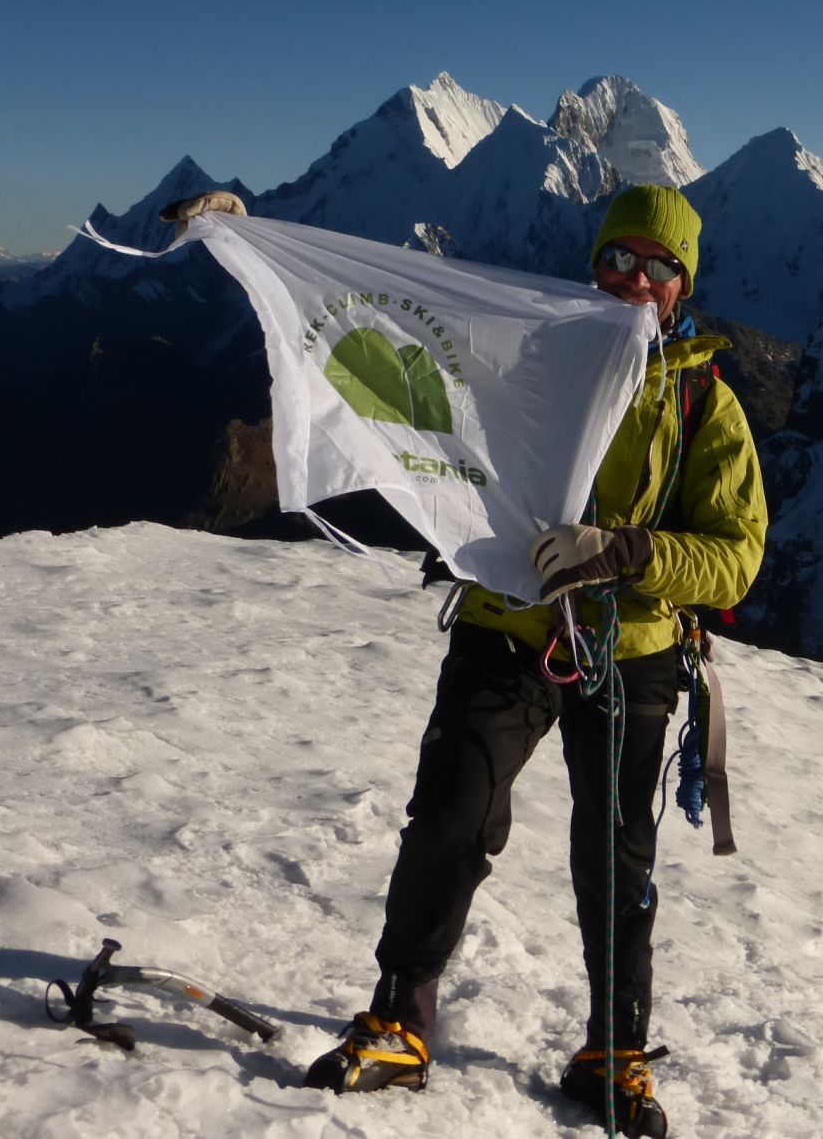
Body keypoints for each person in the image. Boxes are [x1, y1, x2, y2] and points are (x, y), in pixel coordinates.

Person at [303, 184, 768, 1136]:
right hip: (509, 624)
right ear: (592, 264)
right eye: (619, 259)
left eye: (657, 265)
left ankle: (615, 1050)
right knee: (450, 811)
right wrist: (258, 241)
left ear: (683, 285)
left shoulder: (701, 401)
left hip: (631, 644)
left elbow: (737, 554)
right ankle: (400, 1018)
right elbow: (400, 348)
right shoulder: (519, 353)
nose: (635, 280)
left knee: (616, 851)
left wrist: (632, 552)